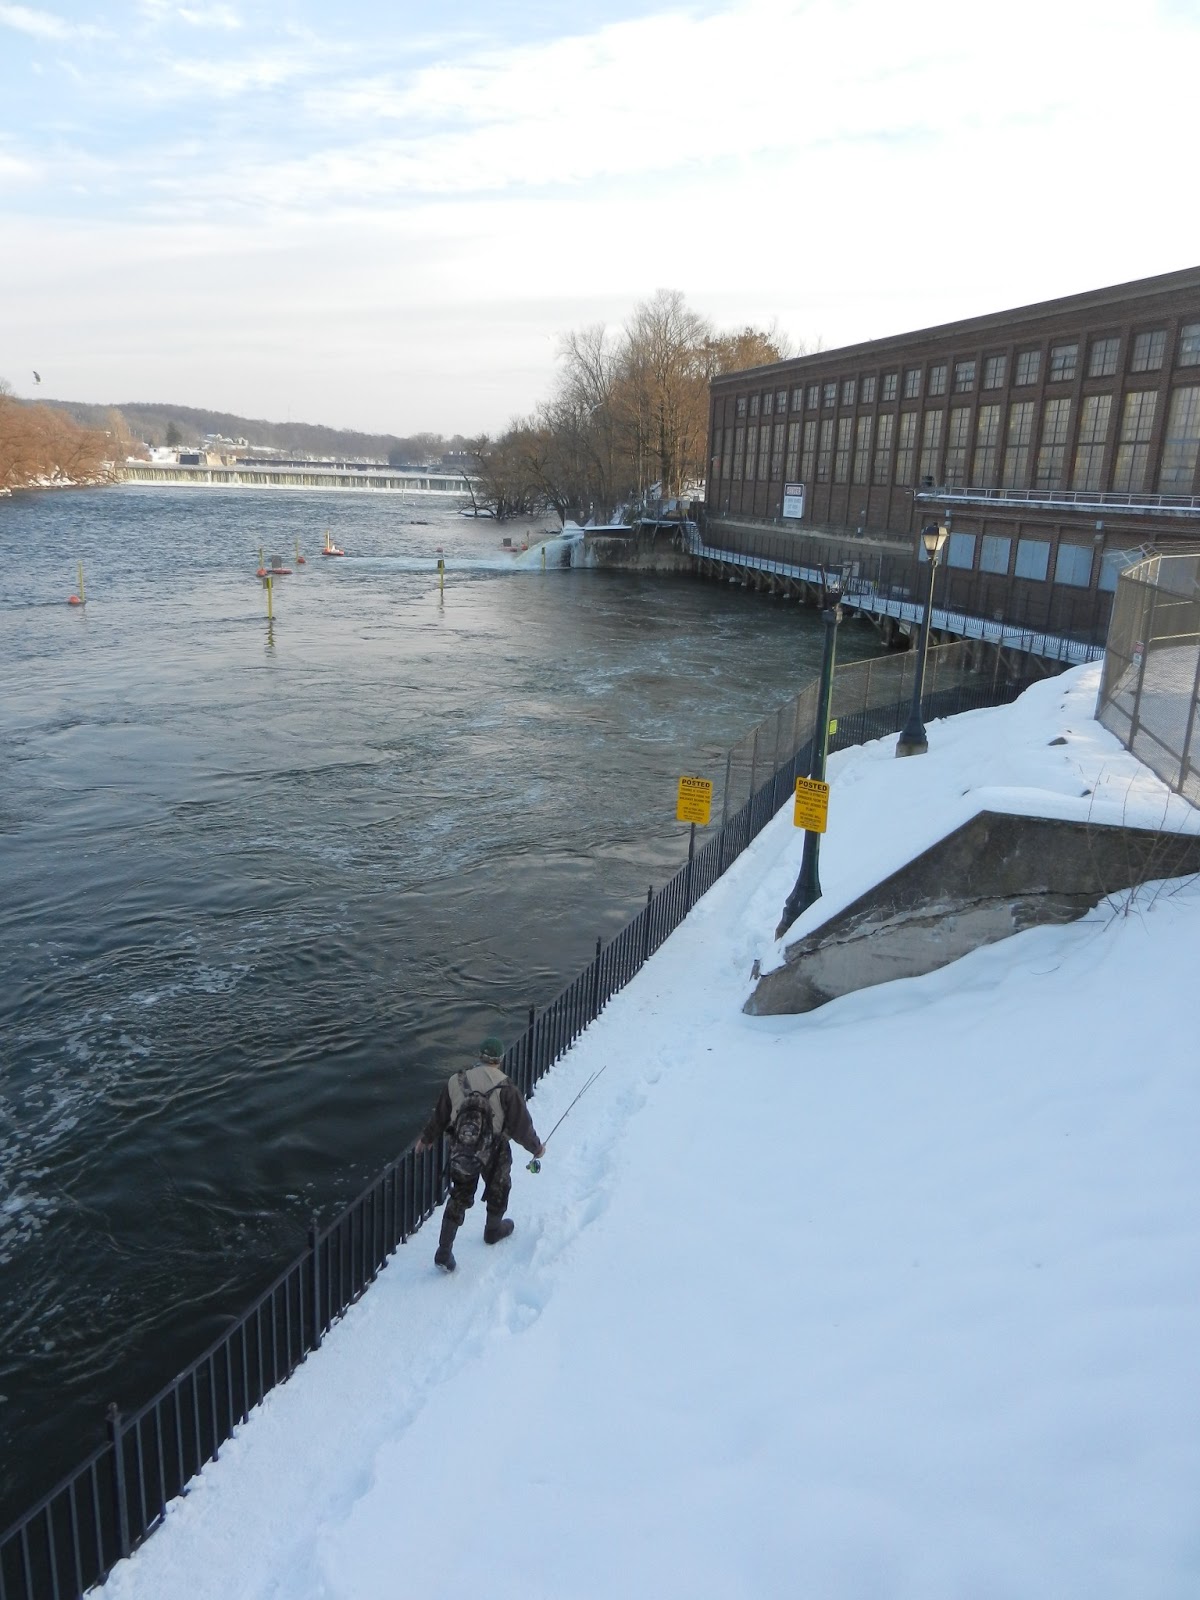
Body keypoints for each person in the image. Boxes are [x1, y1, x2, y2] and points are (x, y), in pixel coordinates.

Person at [414, 1036, 546, 1273]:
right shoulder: (506, 1087)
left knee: (460, 1194)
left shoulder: (456, 1080)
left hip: (461, 1147)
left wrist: (426, 1138)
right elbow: (520, 1126)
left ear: (480, 1057)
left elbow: (441, 1115)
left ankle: (444, 1250)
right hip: (494, 1148)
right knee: (499, 1187)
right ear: (499, 1060)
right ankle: (493, 1230)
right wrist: (536, 1148)